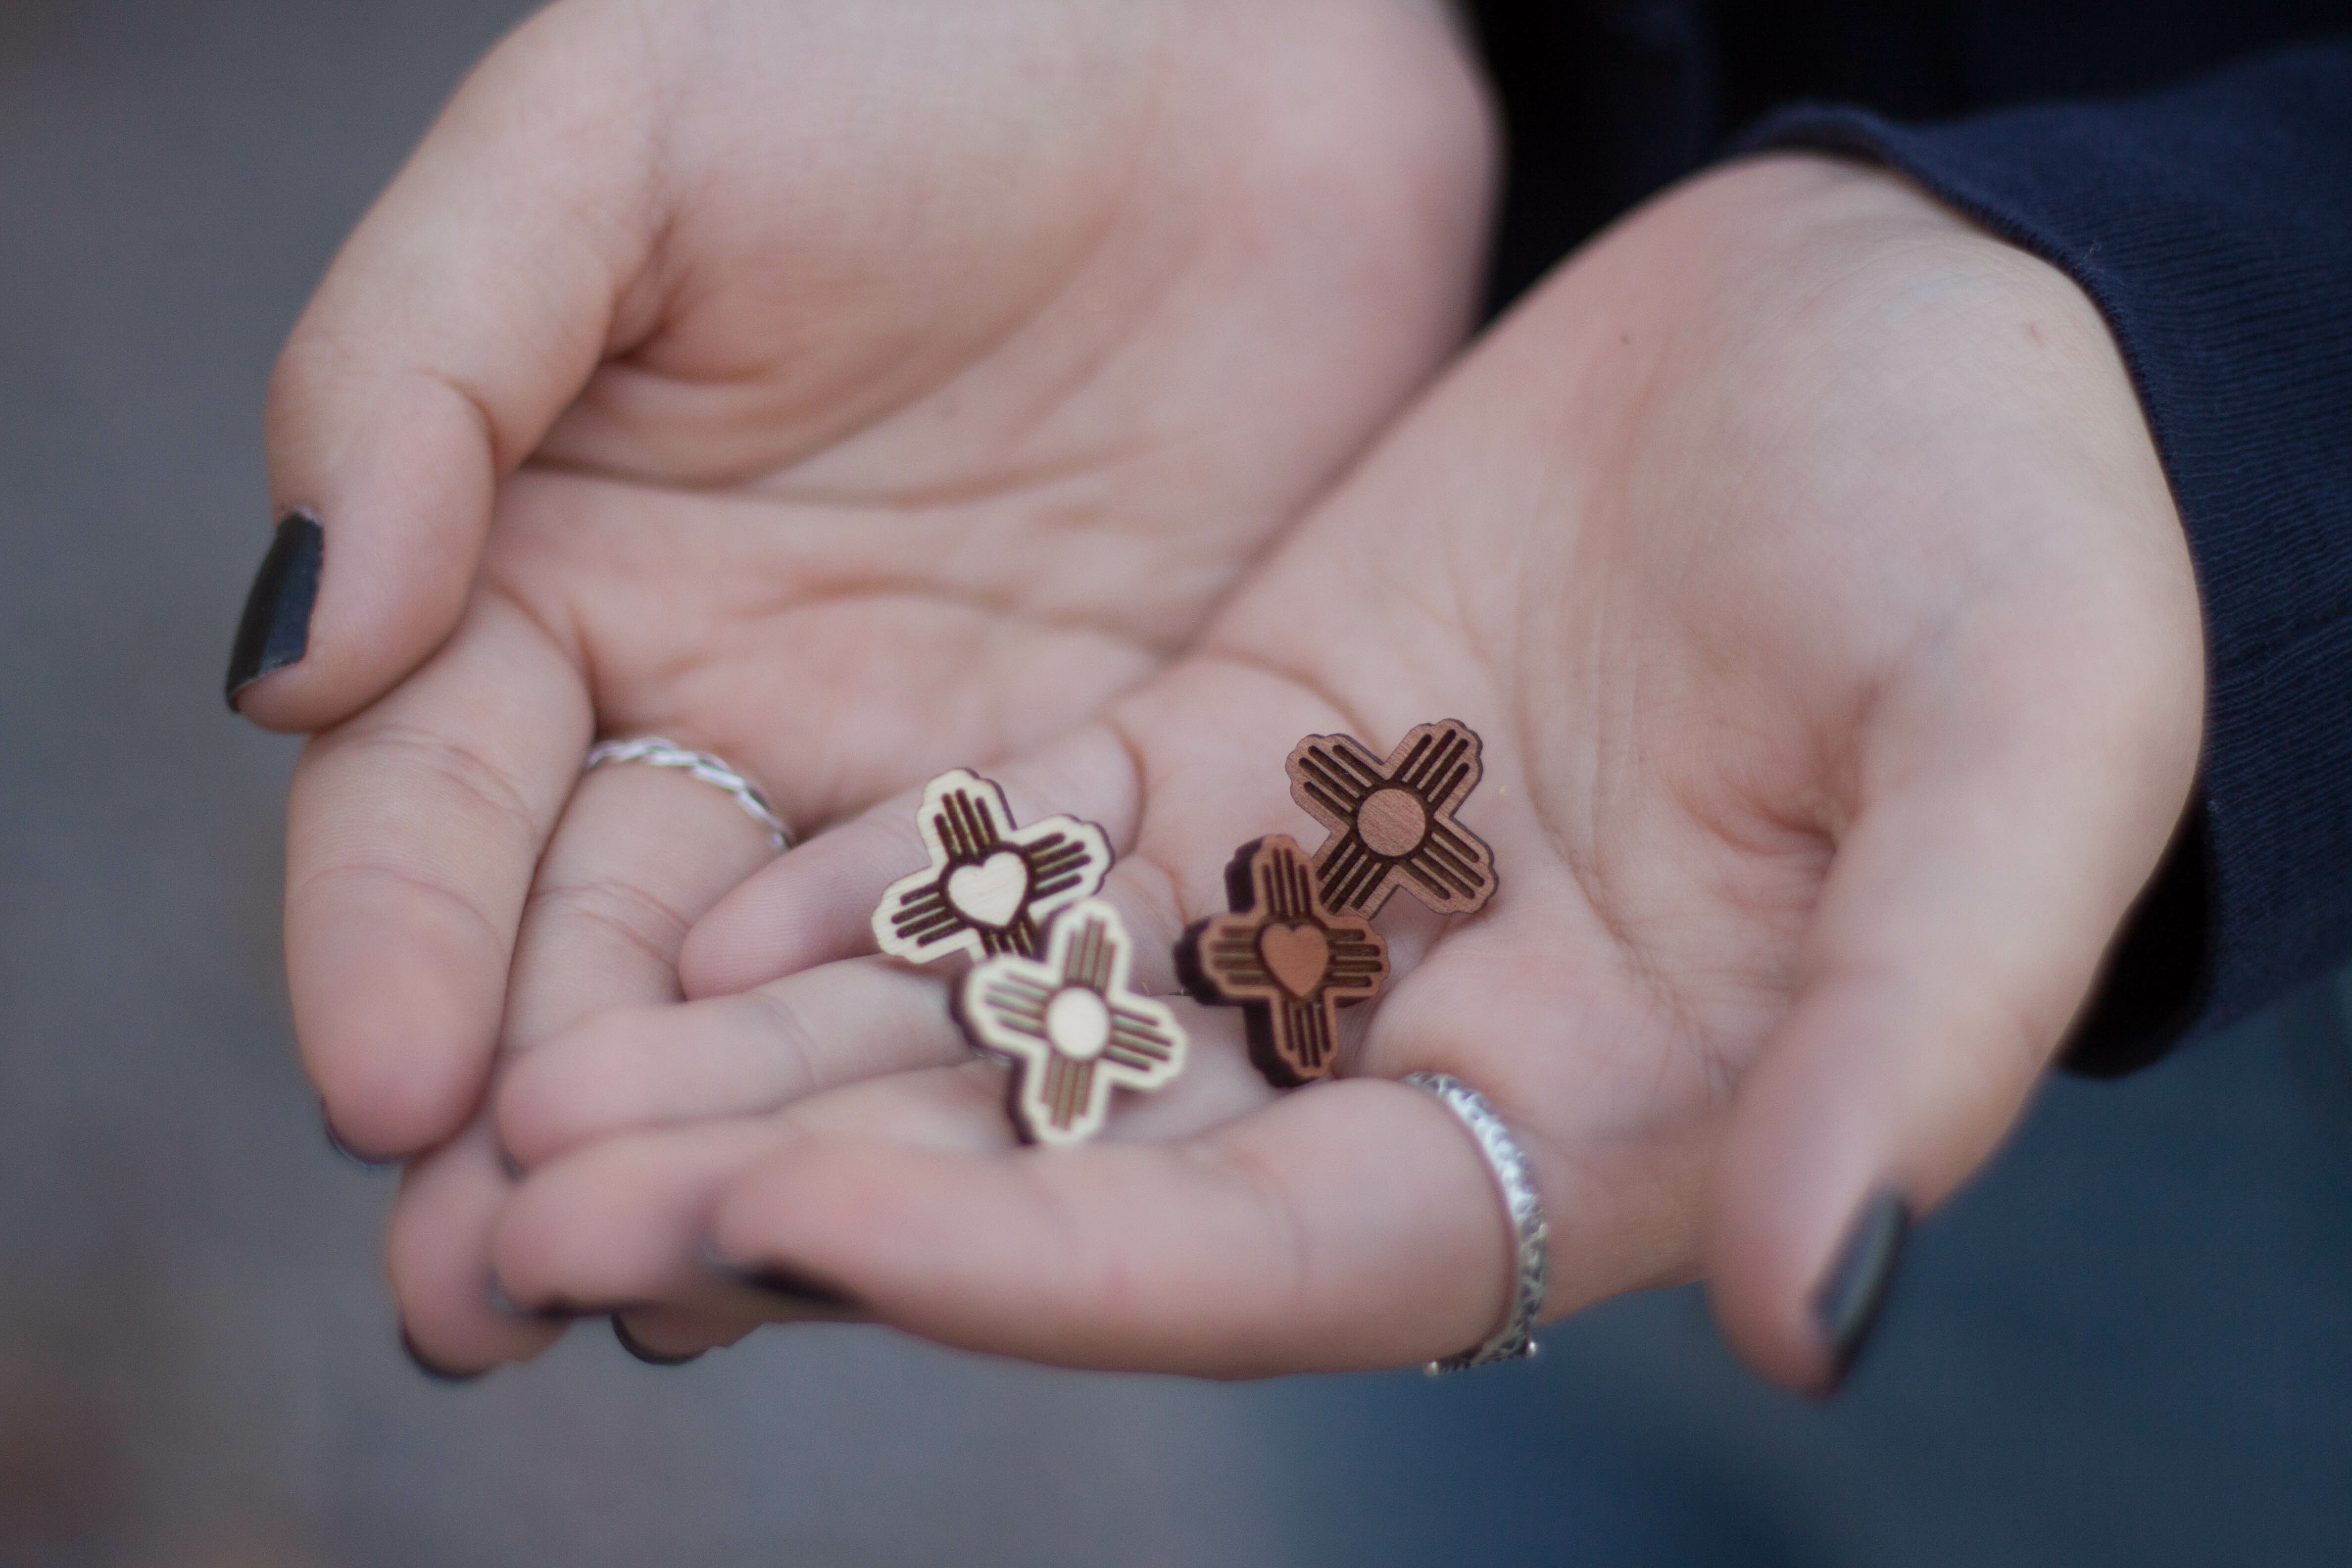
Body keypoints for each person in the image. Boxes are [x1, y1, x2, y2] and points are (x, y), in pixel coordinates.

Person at [224, 0, 2352, 1390]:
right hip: (1491, 982)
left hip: (2204, 1071)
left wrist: (2215, 372)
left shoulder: (1331, 891)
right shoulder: (1304, 924)